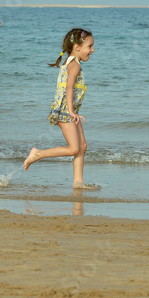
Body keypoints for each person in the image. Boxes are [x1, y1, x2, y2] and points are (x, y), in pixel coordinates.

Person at [23, 28, 96, 189]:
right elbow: (69, 88)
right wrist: (71, 111)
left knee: (82, 146)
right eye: (89, 46)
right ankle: (38, 154)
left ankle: (78, 182)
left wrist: (73, 111)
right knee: (73, 148)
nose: (92, 50)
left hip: (68, 110)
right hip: (65, 111)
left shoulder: (70, 61)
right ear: (77, 47)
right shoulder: (75, 65)